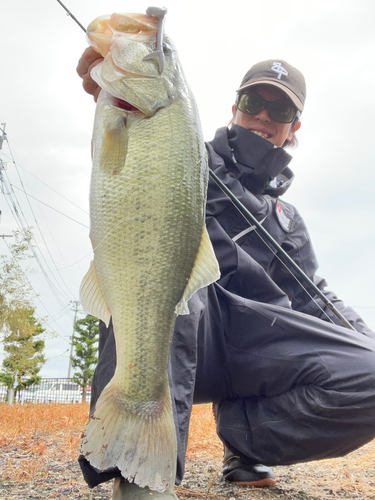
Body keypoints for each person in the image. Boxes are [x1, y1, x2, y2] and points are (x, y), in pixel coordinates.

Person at [76, 50, 375, 500]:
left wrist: (365, 338)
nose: (263, 116)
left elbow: (316, 299)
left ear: (295, 127)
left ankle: (243, 436)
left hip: (254, 352)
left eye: (281, 109)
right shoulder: (186, 157)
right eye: (253, 102)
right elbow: (135, 148)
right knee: (170, 274)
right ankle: (142, 471)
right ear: (234, 107)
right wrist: (114, 94)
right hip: (179, 328)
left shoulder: (288, 221)